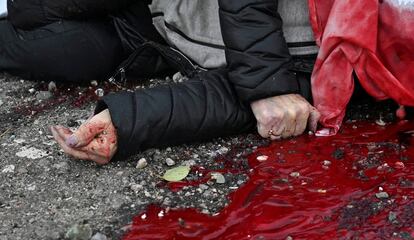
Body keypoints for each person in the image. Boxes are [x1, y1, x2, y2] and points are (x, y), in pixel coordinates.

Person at [0, 0, 321, 164]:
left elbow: (247, 103)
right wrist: (268, 82)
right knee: (29, 8)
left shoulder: (356, 65)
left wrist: (127, 122)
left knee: (50, 50)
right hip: (157, 13)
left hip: (156, 39)